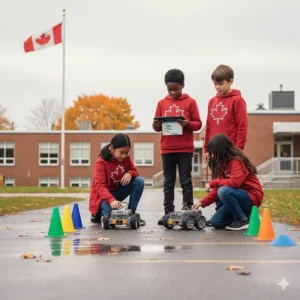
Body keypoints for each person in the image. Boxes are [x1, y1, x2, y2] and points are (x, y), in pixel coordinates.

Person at [153, 69, 202, 225]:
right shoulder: (161, 103)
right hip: (167, 149)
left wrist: (188, 124)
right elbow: (156, 127)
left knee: (186, 181)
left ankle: (188, 210)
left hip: (185, 149)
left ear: (183, 85)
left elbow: (198, 124)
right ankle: (168, 212)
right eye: (170, 89)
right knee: (168, 182)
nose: (173, 92)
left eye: (176, 89)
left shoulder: (191, 102)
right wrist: (156, 124)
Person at [192, 134, 263, 230]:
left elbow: (235, 182)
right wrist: (202, 202)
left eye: (213, 152)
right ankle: (250, 216)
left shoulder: (237, 161)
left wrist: (212, 183)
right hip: (238, 197)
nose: (212, 155)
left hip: (251, 197)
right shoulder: (223, 164)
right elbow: (218, 188)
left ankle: (242, 219)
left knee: (223, 191)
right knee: (215, 222)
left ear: (220, 150)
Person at [89, 133, 145, 226]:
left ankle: (131, 212)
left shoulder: (126, 158)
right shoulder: (101, 162)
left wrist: (129, 173)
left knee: (139, 181)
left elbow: (135, 171)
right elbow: (100, 186)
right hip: (102, 198)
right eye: (121, 152)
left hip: (116, 193)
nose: (124, 156)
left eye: (126, 153)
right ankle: (97, 214)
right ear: (112, 149)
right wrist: (111, 200)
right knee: (112, 215)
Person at [203, 65, 248, 164]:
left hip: (231, 151)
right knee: (217, 179)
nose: (217, 87)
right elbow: (208, 127)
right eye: (215, 84)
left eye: (220, 84)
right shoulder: (212, 102)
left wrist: (238, 150)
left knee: (229, 179)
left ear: (230, 81)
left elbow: (242, 127)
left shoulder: (237, 100)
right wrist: (206, 149)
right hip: (214, 151)